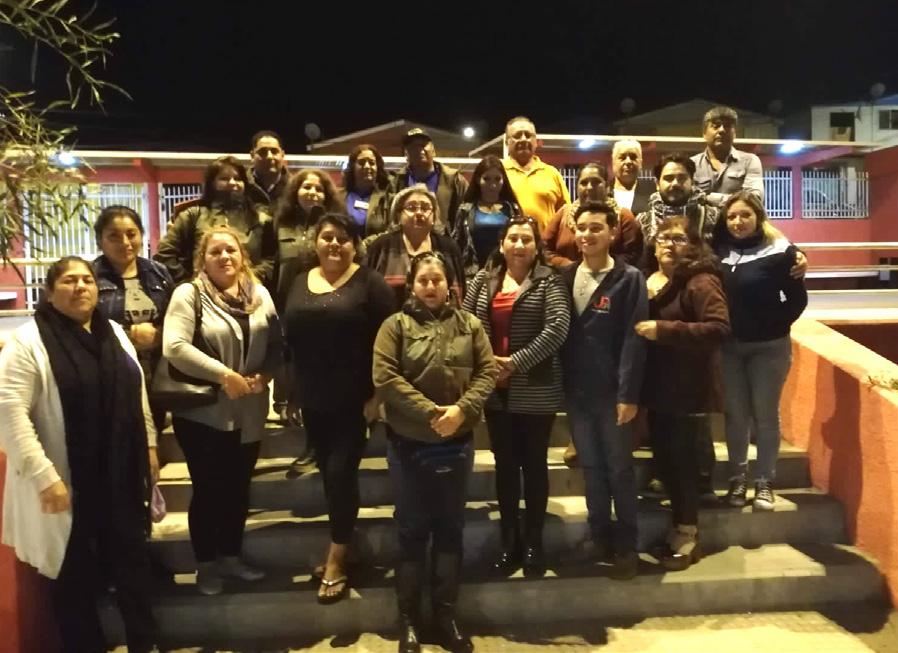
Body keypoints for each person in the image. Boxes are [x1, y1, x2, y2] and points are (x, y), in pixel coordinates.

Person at [0, 256, 160, 652]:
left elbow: (137, 392)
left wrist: (150, 445)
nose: (80, 287)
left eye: (87, 279)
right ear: (49, 292)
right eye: (69, 281)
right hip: (65, 482)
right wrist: (44, 477)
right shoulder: (29, 341)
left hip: (120, 475)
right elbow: (9, 411)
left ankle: (145, 642)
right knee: (73, 580)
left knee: (132, 567)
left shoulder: (114, 333)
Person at [373, 251, 496, 653]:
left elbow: (487, 373)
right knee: (411, 531)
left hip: (456, 444)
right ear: (412, 285)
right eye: (423, 280)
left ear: (449, 285)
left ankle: (446, 616)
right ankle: (409, 620)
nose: (430, 286)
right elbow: (385, 377)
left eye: (437, 280)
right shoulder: (395, 326)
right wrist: (431, 413)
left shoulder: (470, 325)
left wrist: (460, 410)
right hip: (409, 444)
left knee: (449, 529)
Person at [162, 226, 282, 595]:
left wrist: (266, 373)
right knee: (208, 490)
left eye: (231, 250)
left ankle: (231, 556)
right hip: (203, 413)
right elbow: (174, 346)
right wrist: (223, 375)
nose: (224, 257)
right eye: (215, 252)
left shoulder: (259, 294)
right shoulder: (189, 294)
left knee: (238, 488)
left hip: (249, 412)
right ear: (203, 259)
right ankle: (206, 564)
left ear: (243, 256)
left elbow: (277, 343)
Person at [283, 213, 395, 603]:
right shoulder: (299, 280)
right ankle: (346, 543)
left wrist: (379, 396)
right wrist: (291, 393)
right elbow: (290, 341)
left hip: (355, 400)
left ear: (355, 245)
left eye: (343, 238)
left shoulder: (371, 283)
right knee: (331, 476)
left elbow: (389, 341)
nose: (335, 244)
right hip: (313, 398)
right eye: (328, 237)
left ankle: (336, 559)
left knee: (339, 474)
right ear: (315, 241)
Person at [462, 216, 571, 577]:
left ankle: (534, 543)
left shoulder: (550, 281)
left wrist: (515, 362)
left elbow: (557, 328)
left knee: (534, 465)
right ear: (502, 244)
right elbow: (466, 325)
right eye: (513, 238)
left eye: (527, 239)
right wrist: (488, 363)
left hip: (536, 389)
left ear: (537, 247)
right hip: (495, 391)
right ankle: (509, 541)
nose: (520, 245)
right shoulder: (483, 281)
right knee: (506, 467)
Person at [635, 216, 731, 570]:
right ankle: (679, 529)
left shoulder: (701, 280)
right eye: (663, 237)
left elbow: (718, 329)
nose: (668, 244)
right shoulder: (650, 279)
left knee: (683, 466)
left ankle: (688, 536)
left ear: (693, 245)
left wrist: (664, 329)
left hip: (689, 389)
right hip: (659, 389)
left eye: (678, 238)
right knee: (667, 462)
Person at [560, 202, 647, 580]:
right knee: (592, 468)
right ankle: (598, 536)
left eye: (596, 228)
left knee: (619, 469)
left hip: (614, 395)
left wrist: (628, 394)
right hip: (578, 394)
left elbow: (634, 340)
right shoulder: (565, 276)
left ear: (612, 233)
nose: (587, 234)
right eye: (581, 228)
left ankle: (627, 546)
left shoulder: (629, 279)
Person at [713, 191, 807, 510]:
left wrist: (774, 324)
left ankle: (764, 481)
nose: (738, 222)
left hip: (769, 348)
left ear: (758, 217)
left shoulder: (780, 251)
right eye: (732, 217)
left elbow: (797, 299)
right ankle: (737, 480)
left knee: (765, 416)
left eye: (745, 215)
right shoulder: (719, 251)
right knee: (735, 416)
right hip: (729, 348)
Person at [92, 205, 174, 430]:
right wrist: (130, 335)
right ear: (100, 241)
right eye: (114, 236)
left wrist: (160, 335)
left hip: (155, 375)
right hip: (110, 374)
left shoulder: (158, 273)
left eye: (131, 234)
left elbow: (176, 318)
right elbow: (83, 328)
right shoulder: (90, 277)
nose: (125, 242)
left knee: (152, 433)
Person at [155, 156, 276, 285]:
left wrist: (248, 279)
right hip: (201, 292)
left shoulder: (262, 220)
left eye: (238, 178)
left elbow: (272, 259)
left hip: (250, 290)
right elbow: (165, 253)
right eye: (224, 178)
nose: (232, 183)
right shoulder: (192, 215)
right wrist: (189, 283)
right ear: (211, 183)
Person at [365, 185, 465, 309]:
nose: (419, 213)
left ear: (434, 216)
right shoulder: (381, 246)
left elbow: (459, 293)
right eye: (411, 208)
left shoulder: (449, 248)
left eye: (425, 208)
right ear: (398, 215)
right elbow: (365, 290)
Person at [544, 161, 643, 268]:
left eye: (596, 182)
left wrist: (600, 267)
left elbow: (633, 254)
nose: (590, 187)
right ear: (576, 187)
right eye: (584, 183)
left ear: (607, 187)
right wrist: (568, 266)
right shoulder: (563, 214)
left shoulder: (623, 216)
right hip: (564, 276)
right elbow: (544, 250)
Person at [452, 155, 520, 280]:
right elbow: (457, 244)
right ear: (478, 180)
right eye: (487, 179)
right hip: (472, 274)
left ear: (504, 180)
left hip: (507, 272)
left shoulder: (513, 210)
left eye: (497, 179)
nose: (492, 185)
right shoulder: (466, 210)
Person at [388, 128, 468, 235]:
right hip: (405, 241)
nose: (419, 149)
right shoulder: (396, 182)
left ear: (433, 151)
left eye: (423, 145)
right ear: (406, 154)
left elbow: (466, 216)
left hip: (444, 242)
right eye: (413, 146)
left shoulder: (455, 180)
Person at [502, 116, 571, 233]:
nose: (524, 139)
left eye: (528, 135)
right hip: (509, 242)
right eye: (517, 136)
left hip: (546, 243)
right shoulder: (498, 173)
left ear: (536, 141)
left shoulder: (552, 173)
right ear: (506, 142)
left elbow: (566, 214)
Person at [691, 106, 764, 208]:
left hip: (736, 218)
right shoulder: (691, 164)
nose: (721, 130)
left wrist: (708, 198)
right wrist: (736, 199)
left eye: (727, 126)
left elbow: (754, 199)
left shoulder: (750, 161)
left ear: (734, 134)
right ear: (704, 133)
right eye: (715, 126)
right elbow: (688, 199)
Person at [337, 143, 392, 241]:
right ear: (353, 167)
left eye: (371, 163)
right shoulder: (338, 196)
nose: (367, 166)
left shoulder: (387, 199)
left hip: (375, 249)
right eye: (361, 162)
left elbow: (390, 232)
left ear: (378, 167)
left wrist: (365, 245)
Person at [610, 139, 656, 216]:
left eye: (633, 157)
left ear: (641, 162)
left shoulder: (653, 192)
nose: (628, 161)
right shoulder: (604, 192)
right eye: (622, 157)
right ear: (613, 162)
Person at [247, 130, 290, 208]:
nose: (269, 156)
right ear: (252, 156)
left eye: (274, 151)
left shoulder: (295, 188)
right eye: (262, 152)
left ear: (282, 155)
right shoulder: (241, 186)